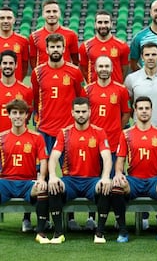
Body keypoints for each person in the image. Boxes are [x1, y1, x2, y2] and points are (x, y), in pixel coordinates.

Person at [31, 33, 85, 230]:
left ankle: (69, 219)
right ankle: (43, 221)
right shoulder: (37, 72)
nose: (55, 50)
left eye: (58, 47)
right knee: (43, 177)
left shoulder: (74, 72)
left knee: (69, 176)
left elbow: (81, 99)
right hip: (45, 131)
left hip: (67, 133)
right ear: (46, 50)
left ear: (64, 49)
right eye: (51, 47)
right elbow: (36, 100)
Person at [47, 97, 112, 244]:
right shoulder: (64, 133)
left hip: (92, 180)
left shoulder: (99, 132)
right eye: (78, 112)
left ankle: (99, 233)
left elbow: (107, 157)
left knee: (105, 187)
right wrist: (52, 176)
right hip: (70, 180)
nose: (81, 114)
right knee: (53, 187)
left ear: (89, 112)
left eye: (84, 111)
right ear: (72, 113)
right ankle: (58, 233)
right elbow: (53, 157)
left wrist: (106, 176)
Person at [111, 96, 157, 243]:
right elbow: (120, 160)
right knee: (116, 186)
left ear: (152, 111)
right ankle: (122, 231)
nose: (144, 111)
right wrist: (119, 174)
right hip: (134, 181)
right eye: (141, 108)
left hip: (154, 181)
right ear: (135, 111)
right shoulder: (126, 134)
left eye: (147, 108)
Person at [0, 99, 49, 243]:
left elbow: (44, 161)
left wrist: (41, 179)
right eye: (14, 113)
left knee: (42, 189)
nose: (18, 116)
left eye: (21, 113)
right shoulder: (1, 137)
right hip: (6, 182)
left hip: (28, 182)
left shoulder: (36, 137)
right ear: (8, 115)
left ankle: (40, 231)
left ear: (26, 115)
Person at [84, 55, 130, 175]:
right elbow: (83, 114)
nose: (104, 69)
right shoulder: (87, 90)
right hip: (92, 140)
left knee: (114, 178)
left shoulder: (121, 90)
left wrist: (117, 128)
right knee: (93, 178)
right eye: (101, 66)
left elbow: (126, 113)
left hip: (113, 141)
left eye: (106, 66)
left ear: (112, 69)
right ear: (95, 68)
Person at [79, 10, 129, 83]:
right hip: (94, 91)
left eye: (106, 22)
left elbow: (124, 70)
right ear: (95, 24)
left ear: (111, 24)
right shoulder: (85, 46)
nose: (103, 26)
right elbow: (84, 70)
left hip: (115, 92)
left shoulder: (122, 46)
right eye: (100, 22)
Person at [29, 0, 79, 68]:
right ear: (43, 14)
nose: (52, 14)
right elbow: (33, 60)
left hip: (65, 77)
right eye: (48, 12)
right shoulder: (34, 36)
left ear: (59, 13)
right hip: (44, 77)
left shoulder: (71, 34)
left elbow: (75, 60)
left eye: (55, 11)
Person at [0, 50, 33, 133]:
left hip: (16, 139)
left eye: (11, 63)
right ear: (0, 65)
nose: (8, 66)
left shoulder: (26, 90)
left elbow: (27, 114)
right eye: (5, 63)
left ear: (16, 65)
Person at [0, 7, 29, 80]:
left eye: (9, 18)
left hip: (16, 88)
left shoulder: (23, 41)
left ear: (14, 20)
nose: (5, 21)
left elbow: (25, 66)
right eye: (2, 18)